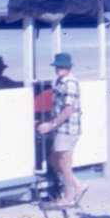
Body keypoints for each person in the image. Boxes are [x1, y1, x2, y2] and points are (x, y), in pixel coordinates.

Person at [36, 52, 84, 207]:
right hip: (61, 128)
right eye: (57, 66)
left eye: (62, 66)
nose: (59, 69)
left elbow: (67, 110)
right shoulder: (60, 81)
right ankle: (78, 185)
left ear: (69, 67)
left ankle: (68, 196)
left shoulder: (70, 83)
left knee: (63, 161)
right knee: (54, 159)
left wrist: (52, 125)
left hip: (67, 129)